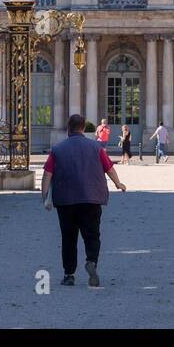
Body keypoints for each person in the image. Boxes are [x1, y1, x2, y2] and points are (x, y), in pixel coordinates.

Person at [41, 113, 126, 287]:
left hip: (66, 200)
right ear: (82, 128)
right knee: (92, 235)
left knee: (68, 238)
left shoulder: (57, 149)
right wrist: (118, 184)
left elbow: (47, 174)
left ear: (68, 128)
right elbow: (109, 168)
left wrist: (44, 197)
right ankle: (92, 262)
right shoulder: (96, 148)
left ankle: (69, 274)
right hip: (91, 197)